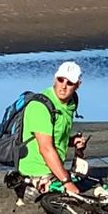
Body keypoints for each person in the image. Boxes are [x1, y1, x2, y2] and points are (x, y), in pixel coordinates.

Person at [17, 60, 88, 201]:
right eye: (61, 80)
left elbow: (54, 136)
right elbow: (45, 148)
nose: (63, 86)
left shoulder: (71, 102)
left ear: (78, 85)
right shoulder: (40, 107)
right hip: (35, 173)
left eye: (70, 83)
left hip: (54, 170)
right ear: (55, 79)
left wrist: (71, 141)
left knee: (84, 174)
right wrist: (66, 182)